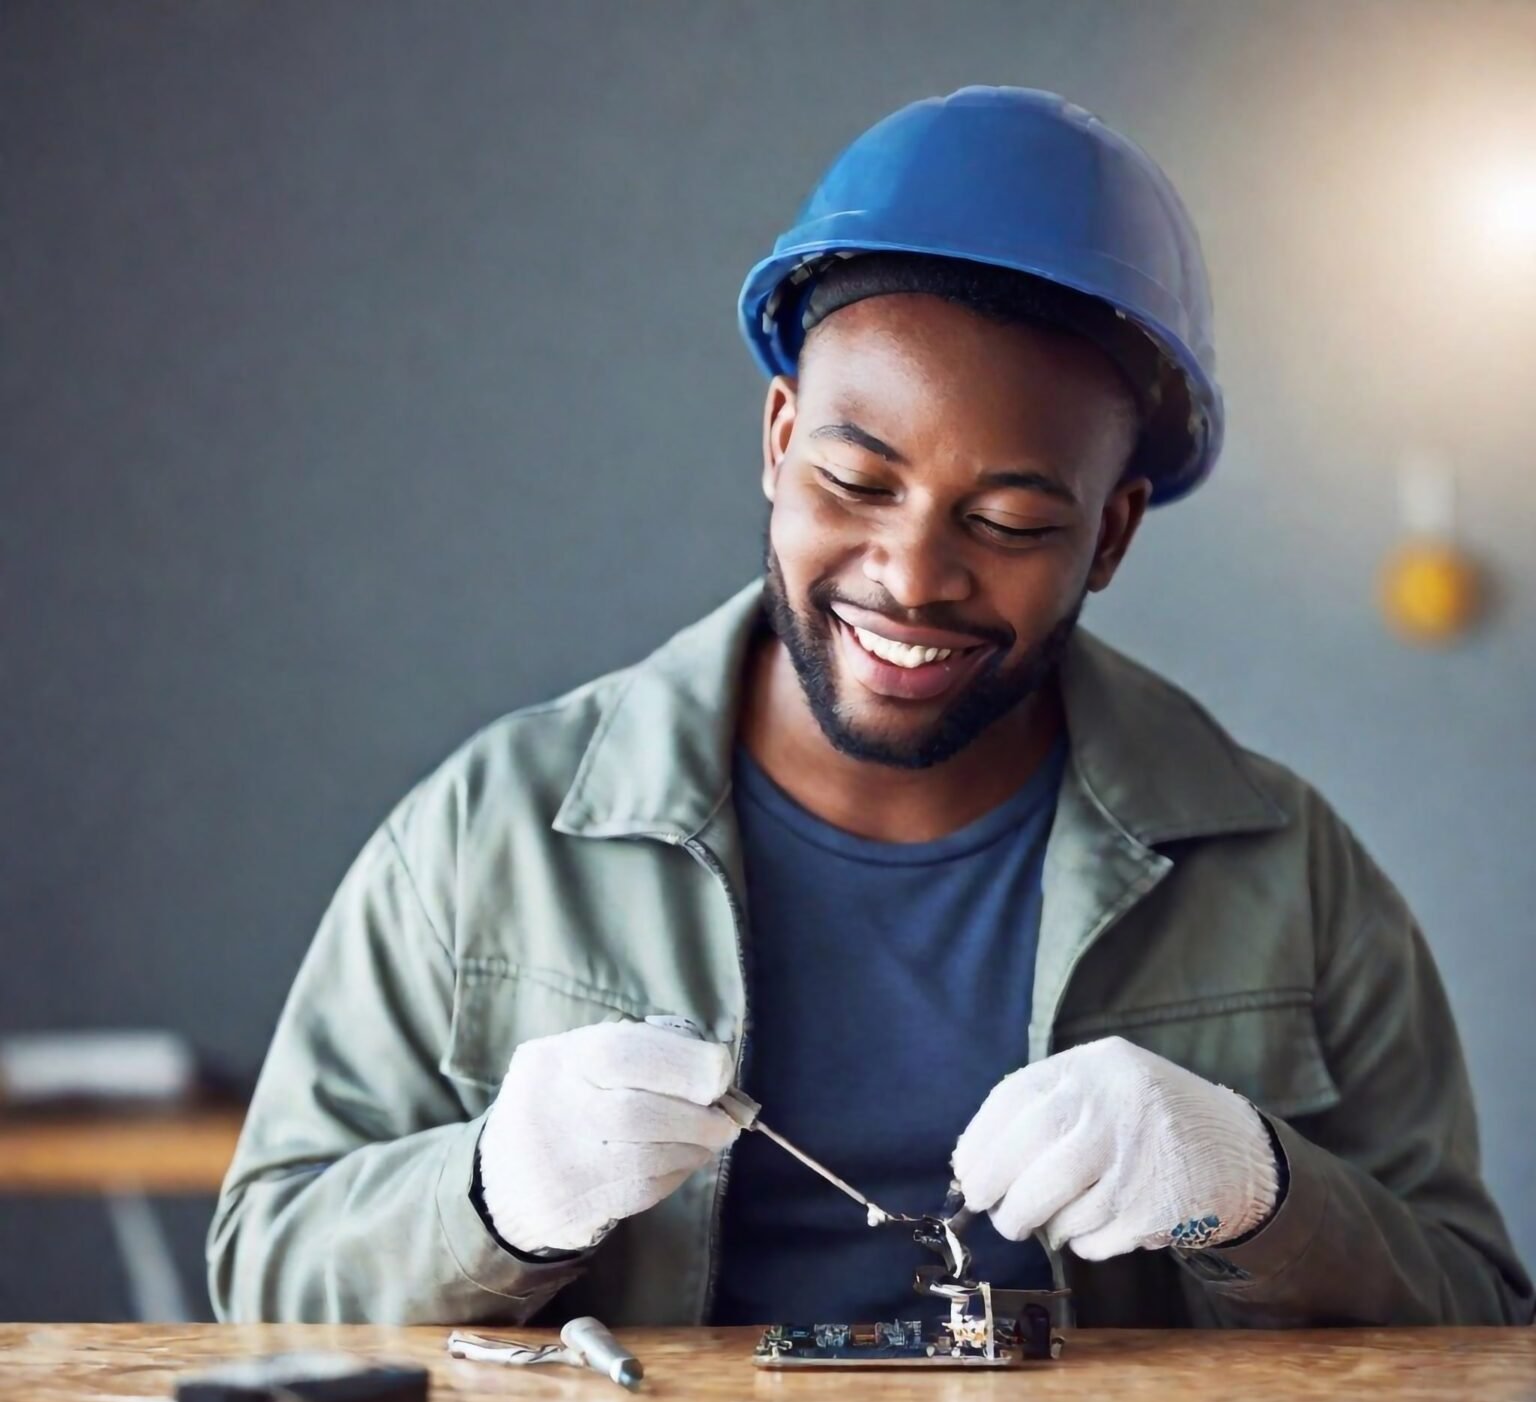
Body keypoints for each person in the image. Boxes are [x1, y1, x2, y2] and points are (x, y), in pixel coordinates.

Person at [209, 86, 1532, 1328]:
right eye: (856, 481)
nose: (912, 576)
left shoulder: (1285, 870)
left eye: (1011, 520)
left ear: (1114, 534)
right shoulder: (487, 832)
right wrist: (498, 1195)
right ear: (779, 441)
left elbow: (1483, 1321)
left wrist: (1261, 1196)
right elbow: (260, 1278)